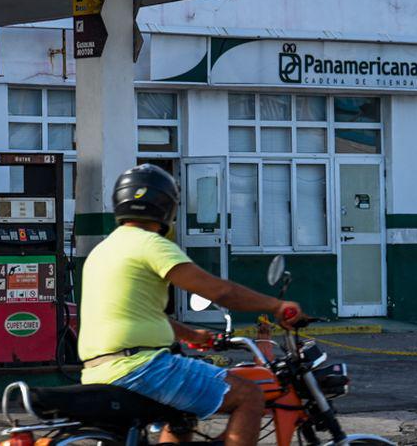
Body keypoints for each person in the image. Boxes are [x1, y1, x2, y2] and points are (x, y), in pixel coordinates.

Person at [78, 164, 304, 446]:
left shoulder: (103, 250)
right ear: (166, 207)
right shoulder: (150, 244)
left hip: (99, 369)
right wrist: (277, 305)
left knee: (182, 416)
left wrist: (190, 335)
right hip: (143, 368)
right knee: (249, 394)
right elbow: (221, 291)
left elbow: (138, 311)